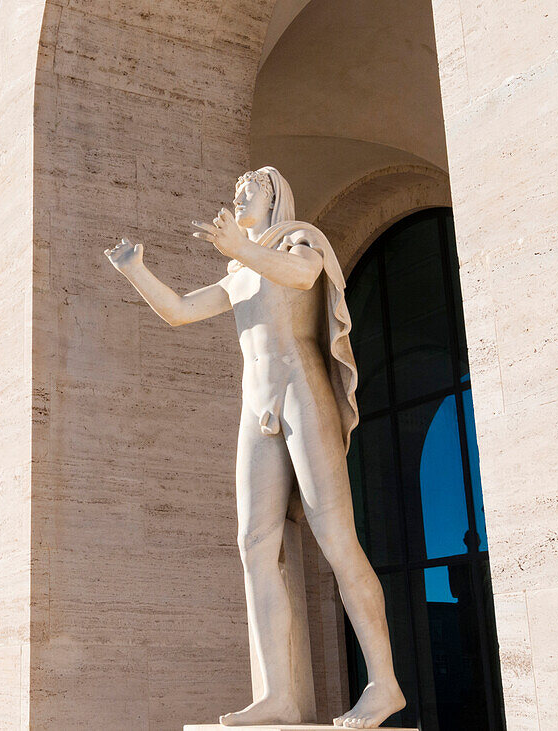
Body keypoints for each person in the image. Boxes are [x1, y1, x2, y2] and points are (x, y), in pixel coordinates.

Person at [104, 167, 405, 729]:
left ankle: (384, 684)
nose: (238, 193)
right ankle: (278, 694)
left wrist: (244, 246)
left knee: (337, 541)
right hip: (256, 407)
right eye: (236, 188)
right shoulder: (239, 271)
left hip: (302, 393)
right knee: (254, 545)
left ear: (276, 197)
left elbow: (299, 276)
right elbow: (180, 311)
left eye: (251, 186)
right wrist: (135, 271)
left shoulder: (298, 239)